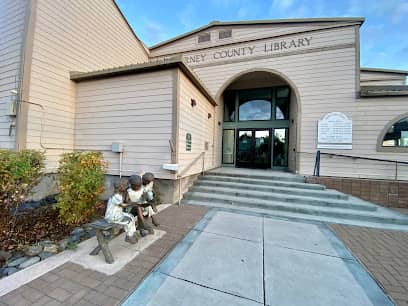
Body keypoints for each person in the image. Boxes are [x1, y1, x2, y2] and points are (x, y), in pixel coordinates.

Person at [104, 178, 138, 244]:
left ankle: (131, 233)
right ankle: (129, 236)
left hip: (117, 214)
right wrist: (131, 204)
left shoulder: (118, 195)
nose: (126, 188)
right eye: (125, 186)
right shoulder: (116, 196)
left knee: (131, 216)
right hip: (112, 217)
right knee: (128, 220)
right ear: (120, 187)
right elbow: (122, 205)